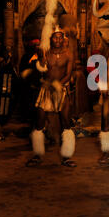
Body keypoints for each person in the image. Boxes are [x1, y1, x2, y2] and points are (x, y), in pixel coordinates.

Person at [25, 30, 76, 167]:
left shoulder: (68, 54)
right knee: (39, 122)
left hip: (62, 89)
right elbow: (40, 71)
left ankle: (66, 157)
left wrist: (58, 85)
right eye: (55, 38)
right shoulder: (45, 53)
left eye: (60, 38)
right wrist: (41, 62)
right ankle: (37, 155)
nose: (58, 40)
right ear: (51, 39)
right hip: (46, 89)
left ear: (63, 39)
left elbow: (68, 73)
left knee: (65, 122)